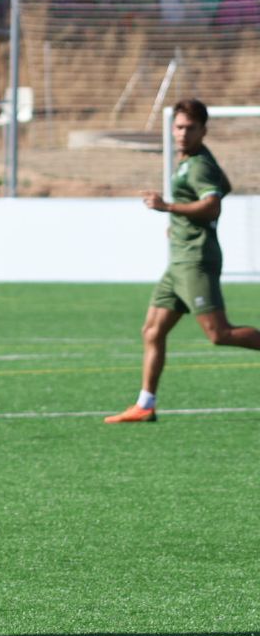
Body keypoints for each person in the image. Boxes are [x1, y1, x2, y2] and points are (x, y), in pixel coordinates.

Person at [106, 98, 260, 423]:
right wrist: (179, 222)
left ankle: (146, 404)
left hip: (195, 259)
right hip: (178, 261)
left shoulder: (199, 164)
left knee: (219, 334)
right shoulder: (190, 160)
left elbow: (213, 206)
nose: (182, 134)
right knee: (152, 331)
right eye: (178, 127)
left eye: (190, 128)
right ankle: (145, 404)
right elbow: (223, 186)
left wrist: (169, 208)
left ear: (203, 130)